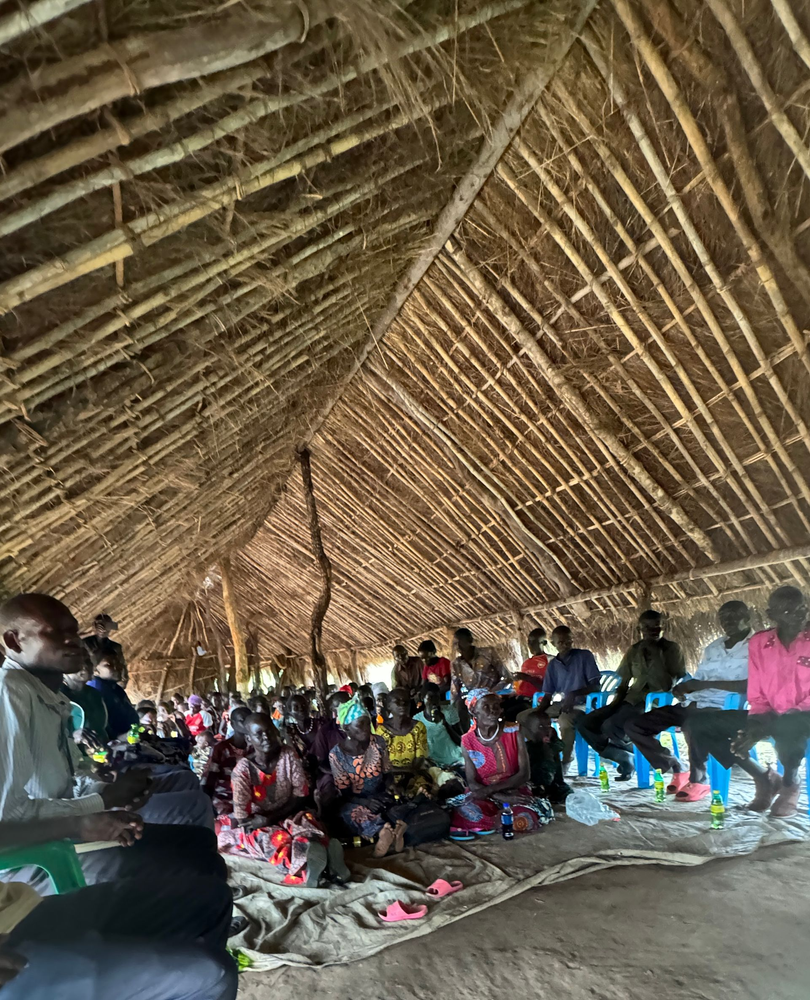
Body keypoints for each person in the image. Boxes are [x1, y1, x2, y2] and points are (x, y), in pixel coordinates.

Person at [0, 593, 225, 885]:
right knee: (193, 854)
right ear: (15, 641)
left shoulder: (48, 696)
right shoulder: (11, 693)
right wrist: (102, 800)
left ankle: (195, 901)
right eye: (56, 633)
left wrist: (106, 787)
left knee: (196, 844)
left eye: (74, 632)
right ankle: (188, 904)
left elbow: (66, 781)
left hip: (70, 819)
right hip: (37, 851)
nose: (74, 642)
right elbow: (10, 816)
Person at [0, 813, 236, 1000]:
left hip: (23, 908)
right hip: (9, 958)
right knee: (214, 974)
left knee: (212, 898)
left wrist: (79, 820)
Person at [689, 586, 810, 817]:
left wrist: (765, 725)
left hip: (805, 715)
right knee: (700, 725)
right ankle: (764, 777)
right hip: (770, 712)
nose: (799, 615)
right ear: (771, 615)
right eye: (787, 611)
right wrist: (756, 724)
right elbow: (757, 692)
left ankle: (790, 781)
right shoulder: (760, 643)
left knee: (788, 726)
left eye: (802, 608)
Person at [623, 601, 751, 799]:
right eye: (724, 618)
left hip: (723, 707)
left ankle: (699, 780)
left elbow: (750, 685)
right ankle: (675, 765)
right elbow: (699, 679)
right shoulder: (713, 647)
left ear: (747, 617)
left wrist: (702, 686)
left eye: (734, 616)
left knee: (693, 724)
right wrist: (684, 689)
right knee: (635, 725)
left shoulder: (756, 646)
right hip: (694, 702)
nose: (728, 621)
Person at [217, 714, 347, 885]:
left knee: (307, 824)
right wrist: (266, 822)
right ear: (249, 738)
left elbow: (301, 796)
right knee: (273, 839)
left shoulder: (288, 754)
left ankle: (319, 861)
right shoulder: (242, 771)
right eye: (259, 734)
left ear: (275, 731)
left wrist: (272, 817)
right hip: (260, 823)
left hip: (286, 813)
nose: (266, 737)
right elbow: (244, 819)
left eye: (269, 731)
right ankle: (316, 864)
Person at [576, 610, 686, 780]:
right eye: (647, 627)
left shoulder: (672, 649)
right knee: (586, 723)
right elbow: (624, 680)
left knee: (610, 726)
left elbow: (671, 682)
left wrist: (656, 654)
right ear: (640, 629)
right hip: (630, 699)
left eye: (656, 627)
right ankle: (623, 756)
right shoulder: (634, 650)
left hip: (655, 700)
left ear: (663, 628)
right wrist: (613, 704)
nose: (652, 631)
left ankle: (636, 755)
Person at [450, 691, 553, 834]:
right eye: (486, 706)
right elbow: (472, 782)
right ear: (474, 710)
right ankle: (497, 821)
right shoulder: (467, 740)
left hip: (514, 790)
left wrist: (495, 793)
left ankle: (493, 822)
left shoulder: (514, 731)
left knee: (525, 816)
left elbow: (524, 774)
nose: (493, 710)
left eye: (496, 706)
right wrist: (499, 796)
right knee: (465, 810)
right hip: (485, 794)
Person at [534, 625, 600, 768]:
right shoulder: (553, 665)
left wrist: (574, 694)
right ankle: (540, 757)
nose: (565, 645)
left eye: (568, 641)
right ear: (553, 644)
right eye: (561, 642)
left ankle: (566, 760)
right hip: (564, 704)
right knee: (527, 718)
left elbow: (595, 685)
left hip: (584, 703)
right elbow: (547, 694)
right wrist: (538, 711)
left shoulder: (584, 656)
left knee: (565, 720)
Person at [374, 687, 431, 796]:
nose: (402, 704)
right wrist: (396, 781)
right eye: (397, 701)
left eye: (406, 702)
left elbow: (419, 761)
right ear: (388, 706)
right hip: (390, 777)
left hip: (413, 776)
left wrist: (404, 781)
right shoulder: (381, 731)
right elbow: (382, 765)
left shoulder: (418, 728)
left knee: (423, 792)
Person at [203, 705, 252, 815]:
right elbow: (210, 777)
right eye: (242, 720)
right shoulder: (221, 748)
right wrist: (207, 803)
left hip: (252, 795)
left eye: (249, 719)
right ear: (233, 724)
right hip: (226, 796)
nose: (247, 723)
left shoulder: (256, 746)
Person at [518, 707, 571, 804]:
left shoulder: (552, 744)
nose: (547, 730)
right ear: (530, 730)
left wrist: (548, 744)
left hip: (555, 785)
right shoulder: (527, 748)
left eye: (549, 725)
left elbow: (561, 746)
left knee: (568, 794)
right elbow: (539, 777)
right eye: (541, 727)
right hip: (536, 785)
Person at [86, 648, 139, 739]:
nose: (116, 667)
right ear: (95, 670)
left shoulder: (116, 688)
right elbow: (99, 724)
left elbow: (131, 715)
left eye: (117, 663)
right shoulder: (95, 689)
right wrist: (118, 737)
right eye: (108, 664)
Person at [61, 656, 108, 749]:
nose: (84, 666)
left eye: (87, 661)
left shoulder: (95, 695)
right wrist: (73, 736)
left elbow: (101, 730)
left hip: (98, 755)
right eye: (75, 661)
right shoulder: (56, 696)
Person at [414, 685, 464, 772]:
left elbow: (461, 741)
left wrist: (445, 723)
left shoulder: (449, 712)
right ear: (422, 698)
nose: (434, 701)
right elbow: (418, 750)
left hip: (456, 759)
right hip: (434, 763)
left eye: (437, 697)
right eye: (430, 697)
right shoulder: (417, 720)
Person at [284, 694, 324, 787]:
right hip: (304, 774)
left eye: (303, 705)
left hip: (326, 769)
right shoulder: (290, 732)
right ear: (290, 711)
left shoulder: (320, 724)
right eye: (296, 707)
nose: (301, 709)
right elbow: (294, 759)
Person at [82, 613, 128, 688]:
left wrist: (123, 679)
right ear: (94, 626)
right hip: (91, 681)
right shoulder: (85, 643)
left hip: (111, 682)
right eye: (100, 625)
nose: (103, 629)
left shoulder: (115, 647)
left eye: (106, 626)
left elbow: (122, 665)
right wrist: (91, 633)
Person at [513, 628, 550, 700]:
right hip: (522, 697)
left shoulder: (550, 661)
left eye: (534, 642)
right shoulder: (526, 663)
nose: (530, 645)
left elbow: (548, 688)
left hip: (536, 700)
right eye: (529, 642)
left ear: (544, 643)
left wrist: (527, 677)